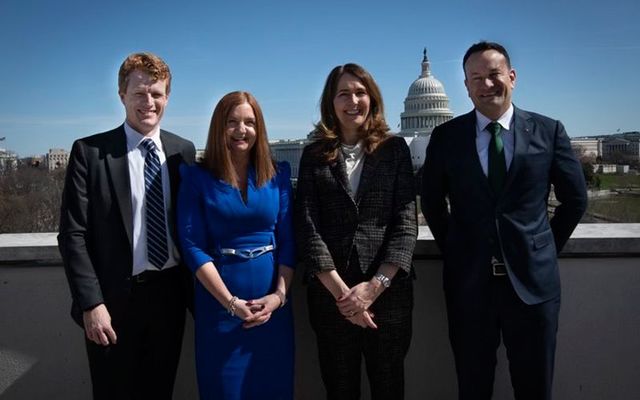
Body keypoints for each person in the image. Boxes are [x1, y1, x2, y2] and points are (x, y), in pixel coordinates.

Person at [421, 41, 588, 400]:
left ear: (511, 77)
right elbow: (433, 203)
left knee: (535, 387)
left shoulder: (549, 131)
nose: (486, 84)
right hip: (469, 285)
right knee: (473, 386)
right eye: (475, 78)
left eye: (493, 74)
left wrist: (540, 247)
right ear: (466, 86)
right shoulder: (446, 137)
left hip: (533, 288)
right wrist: (457, 248)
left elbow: (575, 200)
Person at [58, 52, 195, 399]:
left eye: (157, 94)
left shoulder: (184, 152)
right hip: (111, 304)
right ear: (122, 95)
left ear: (167, 97)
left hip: (169, 299)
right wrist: (91, 304)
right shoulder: (90, 153)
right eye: (139, 93)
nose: (148, 102)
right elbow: (73, 234)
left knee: (159, 391)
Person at [295, 63, 417, 400]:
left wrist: (374, 288)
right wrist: (344, 296)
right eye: (343, 94)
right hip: (331, 300)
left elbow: (406, 224)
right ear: (330, 103)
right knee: (340, 389)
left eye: (360, 92)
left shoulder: (395, 151)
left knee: (389, 388)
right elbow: (307, 226)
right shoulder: (314, 156)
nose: (353, 101)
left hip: (387, 297)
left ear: (372, 99)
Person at [177, 91, 296, 400]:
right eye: (232, 122)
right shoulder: (196, 177)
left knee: (275, 390)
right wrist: (230, 303)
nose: (241, 130)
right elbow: (192, 246)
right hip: (221, 313)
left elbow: (288, 240)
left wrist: (279, 297)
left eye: (249, 122)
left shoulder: (278, 174)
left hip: (273, 313)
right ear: (219, 127)